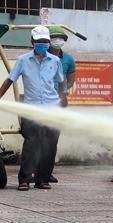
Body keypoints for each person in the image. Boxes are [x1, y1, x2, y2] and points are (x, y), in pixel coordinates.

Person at [0, 25, 66, 191]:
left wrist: (62, 100)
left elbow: (61, 82)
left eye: (46, 41)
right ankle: (24, 179)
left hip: (52, 109)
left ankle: (43, 179)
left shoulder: (55, 61)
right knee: (31, 144)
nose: (43, 44)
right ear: (32, 42)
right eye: (40, 41)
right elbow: (9, 80)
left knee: (50, 145)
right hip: (31, 110)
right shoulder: (23, 60)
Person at [46, 27, 77, 184]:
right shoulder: (42, 56)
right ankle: (33, 171)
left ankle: (47, 172)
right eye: (54, 37)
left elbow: (71, 79)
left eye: (60, 38)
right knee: (37, 139)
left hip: (60, 102)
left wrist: (63, 91)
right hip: (42, 101)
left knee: (53, 139)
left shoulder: (68, 59)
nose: (57, 41)